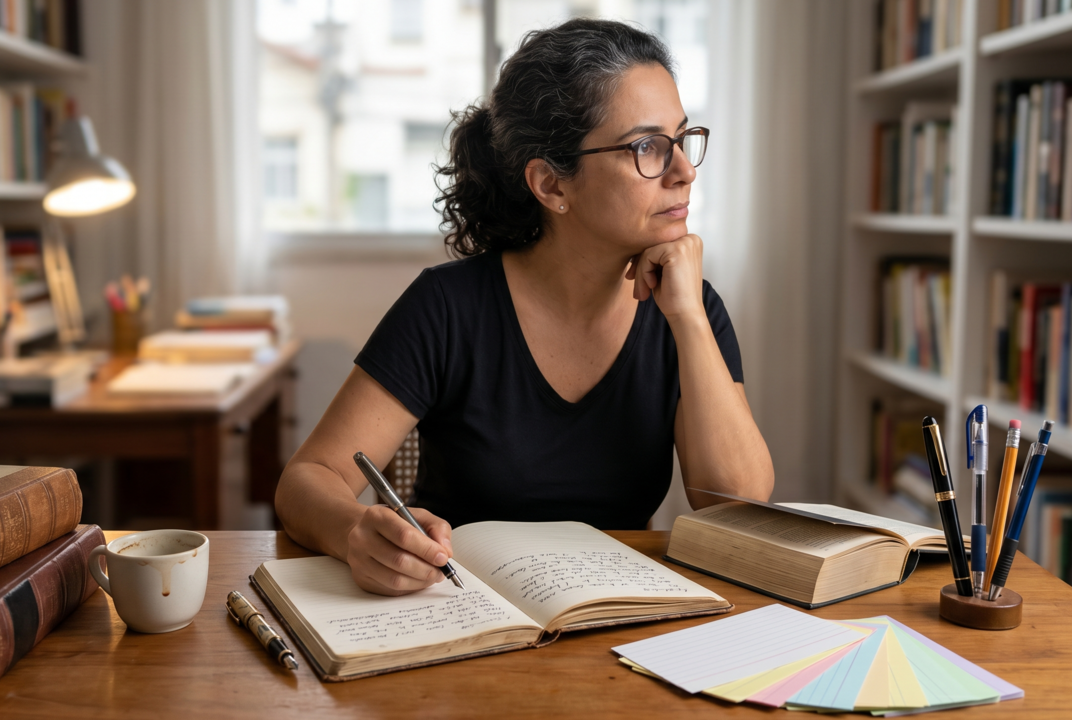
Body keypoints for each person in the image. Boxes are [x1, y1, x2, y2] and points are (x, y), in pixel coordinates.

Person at [275, 18, 774, 596]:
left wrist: (687, 319)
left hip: (614, 621)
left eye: (683, 140)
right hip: (457, 612)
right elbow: (308, 479)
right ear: (552, 186)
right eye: (646, 147)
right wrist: (355, 529)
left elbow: (736, 503)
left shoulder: (689, 307)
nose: (684, 171)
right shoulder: (447, 307)